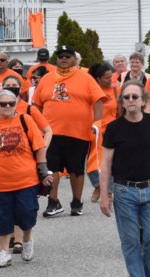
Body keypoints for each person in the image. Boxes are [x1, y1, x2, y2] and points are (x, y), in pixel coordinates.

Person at [99, 80, 150, 277]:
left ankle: (149, 274)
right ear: (122, 101)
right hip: (124, 191)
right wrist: (104, 195)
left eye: (135, 97)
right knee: (130, 241)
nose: (131, 100)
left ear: (143, 101)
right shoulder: (113, 128)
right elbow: (106, 164)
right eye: (127, 97)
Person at [33, 44, 106, 218]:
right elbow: (36, 104)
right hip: (51, 132)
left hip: (78, 132)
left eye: (67, 56)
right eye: (60, 56)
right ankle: (53, 202)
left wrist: (97, 123)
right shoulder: (47, 78)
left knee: (76, 170)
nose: (64, 59)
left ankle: (76, 201)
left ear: (74, 59)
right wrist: (37, 126)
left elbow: (98, 100)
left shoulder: (85, 78)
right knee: (51, 168)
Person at [0, 89, 52, 268]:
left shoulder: (26, 120)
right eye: (3, 104)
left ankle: (26, 239)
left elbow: (39, 146)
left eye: (11, 103)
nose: (8, 106)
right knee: (1, 217)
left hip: (26, 180)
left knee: (27, 212)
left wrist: (44, 171)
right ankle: (4, 251)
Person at [86, 62, 117, 203]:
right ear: (97, 79)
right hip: (93, 131)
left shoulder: (116, 90)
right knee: (91, 163)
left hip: (111, 131)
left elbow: (120, 110)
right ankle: (98, 185)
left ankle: (109, 191)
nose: (111, 80)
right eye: (107, 78)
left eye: (111, 76)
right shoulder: (89, 90)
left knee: (108, 162)